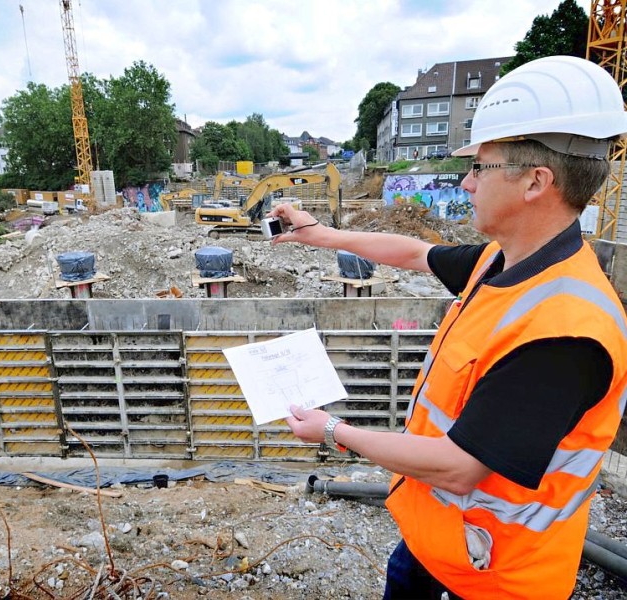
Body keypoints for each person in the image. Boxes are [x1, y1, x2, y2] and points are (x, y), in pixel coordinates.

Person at [269, 55, 627, 599]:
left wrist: (332, 432)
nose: (465, 182)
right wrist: (320, 235)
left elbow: (462, 469)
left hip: (492, 579)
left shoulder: (566, 334)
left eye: (479, 167)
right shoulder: (502, 261)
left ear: (536, 181)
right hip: (439, 543)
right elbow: (415, 253)